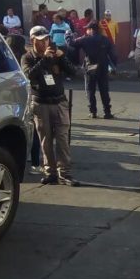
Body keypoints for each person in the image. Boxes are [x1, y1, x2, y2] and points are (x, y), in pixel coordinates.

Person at [22, 26, 80, 186]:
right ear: (33, 40)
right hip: (41, 104)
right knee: (45, 140)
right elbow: (29, 75)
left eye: (46, 39)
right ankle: (50, 172)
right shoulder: (27, 57)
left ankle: (65, 173)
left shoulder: (56, 55)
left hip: (59, 101)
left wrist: (62, 58)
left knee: (62, 138)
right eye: (40, 40)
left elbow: (73, 72)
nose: (44, 43)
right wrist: (45, 60)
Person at [69, 21, 117, 120]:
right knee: (104, 90)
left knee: (91, 90)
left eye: (87, 29)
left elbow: (71, 44)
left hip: (90, 67)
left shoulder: (85, 39)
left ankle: (93, 111)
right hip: (103, 67)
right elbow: (113, 55)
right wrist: (114, 66)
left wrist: (67, 35)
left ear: (91, 30)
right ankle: (107, 112)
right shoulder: (105, 40)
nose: (86, 31)